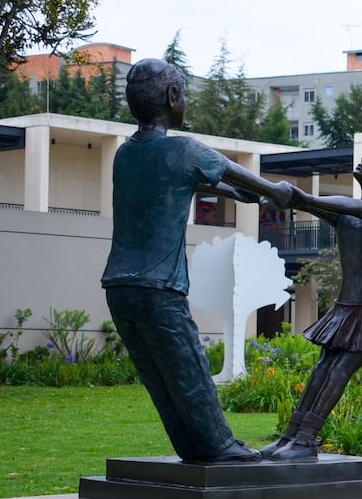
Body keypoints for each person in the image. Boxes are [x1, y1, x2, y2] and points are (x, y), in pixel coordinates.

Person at [102, 58, 295, 464]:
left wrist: (236, 194)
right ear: (173, 97)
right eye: (184, 93)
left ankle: (193, 448)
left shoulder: (125, 154)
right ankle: (220, 446)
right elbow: (243, 177)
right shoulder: (184, 147)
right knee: (188, 369)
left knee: (159, 378)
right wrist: (273, 191)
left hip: (119, 285)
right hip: (159, 285)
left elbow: (191, 179)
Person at [262, 141, 362, 461]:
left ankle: (306, 439)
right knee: (322, 367)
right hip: (347, 308)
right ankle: (291, 436)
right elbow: (320, 206)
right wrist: (280, 193)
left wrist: (302, 196)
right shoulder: (346, 214)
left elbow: (335, 204)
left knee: (339, 370)